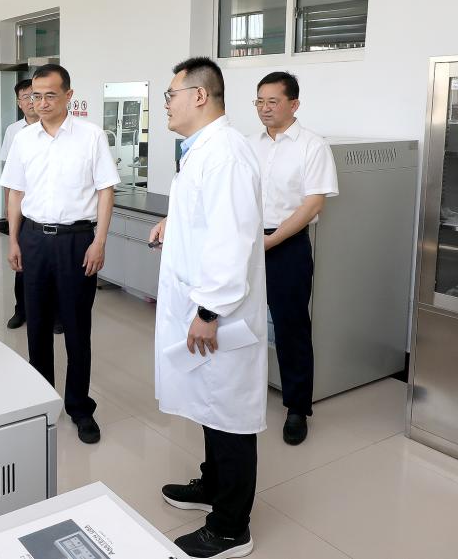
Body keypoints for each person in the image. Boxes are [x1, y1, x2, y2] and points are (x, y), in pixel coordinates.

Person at [150, 57, 266, 558]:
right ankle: (213, 485)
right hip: (201, 305)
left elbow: (232, 240)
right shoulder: (202, 150)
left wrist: (209, 312)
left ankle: (230, 527)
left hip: (219, 314)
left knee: (229, 412)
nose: (166, 105)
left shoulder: (226, 154)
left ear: (199, 96)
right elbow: (205, 218)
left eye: (170, 95)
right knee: (210, 405)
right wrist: (171, 225)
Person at [0, 64, 118, 445]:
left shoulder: (91, 136)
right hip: (34, 238)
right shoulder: (23, 139)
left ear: (68, 95)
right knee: (36, 325)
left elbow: (105, 191)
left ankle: (80, 407)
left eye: (50, 95)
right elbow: (15, 193)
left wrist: (100, 241)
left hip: (76, 241)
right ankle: (42, 400)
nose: (42, 102)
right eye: (36, 95)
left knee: (77, 327)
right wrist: (13, 240)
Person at [249, 71, 338, 445]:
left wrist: (271, 241)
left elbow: (313, 204)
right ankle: (243, 394)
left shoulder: (312, 146)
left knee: (291, 329)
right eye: (259, 101)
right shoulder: (249, 145)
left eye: (272, 101)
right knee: (242, 322)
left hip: (287, 247)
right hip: (248, 243)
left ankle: (297, 408)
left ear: (294, 104)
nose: (264, 108)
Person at [0, 78, 37, 329]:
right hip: (21, 209)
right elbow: (9, 177)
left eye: (35, 95)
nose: (31, 102)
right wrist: (8, 208)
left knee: (50, 268)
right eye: (26, 97)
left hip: (43, 210)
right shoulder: (14, 131)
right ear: (19, 102)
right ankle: (21, 310)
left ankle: (55, 315)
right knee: (21, 262)